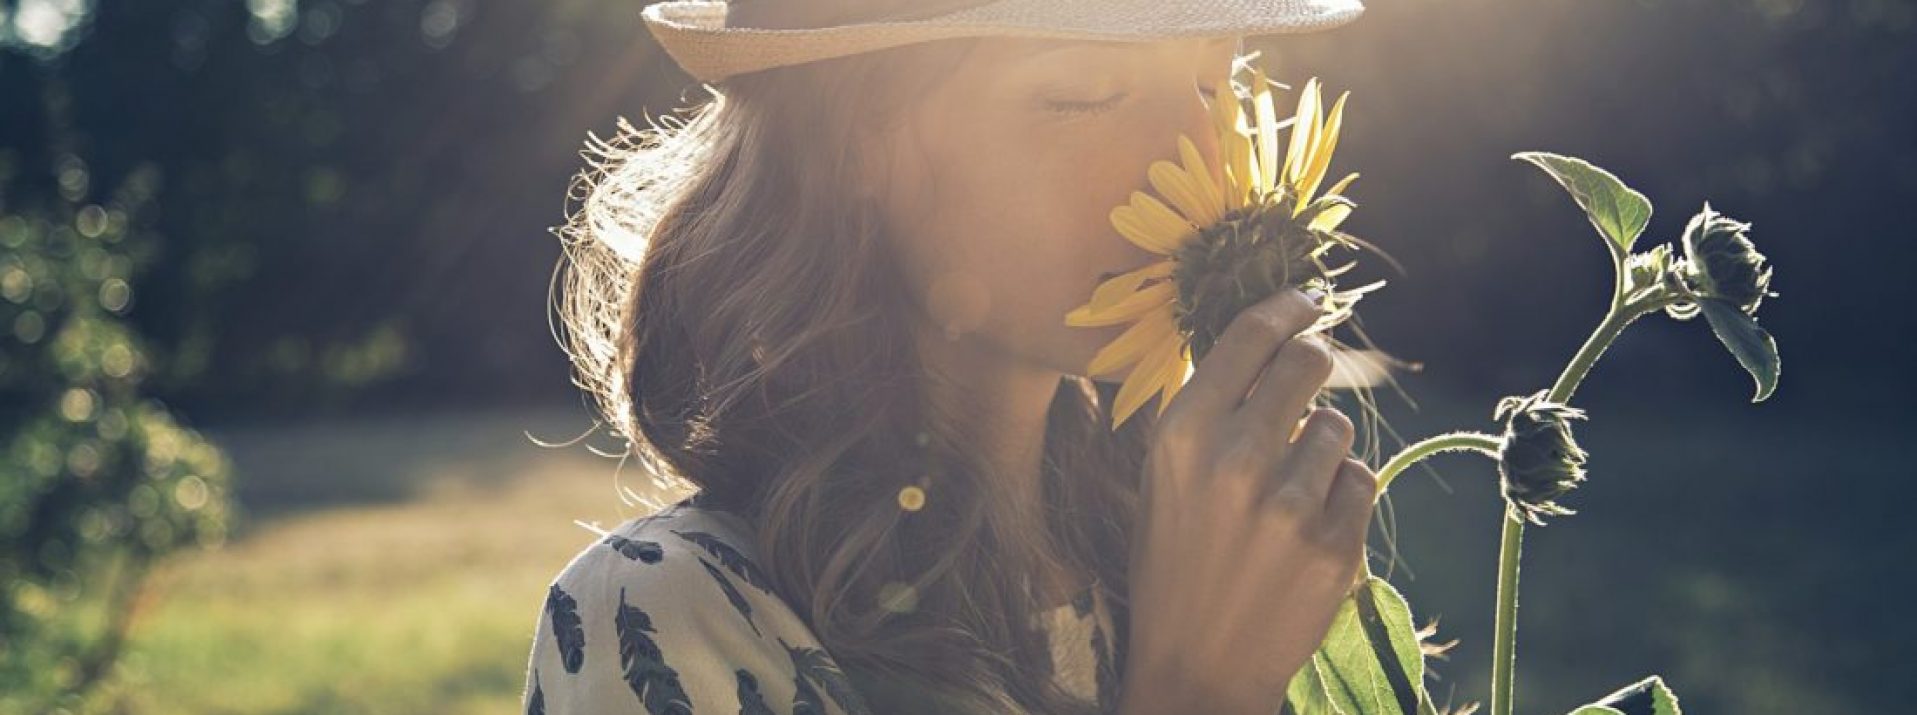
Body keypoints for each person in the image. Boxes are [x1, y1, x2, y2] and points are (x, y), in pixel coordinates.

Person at [521, 1, 1380, 713]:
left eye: (1212, 82)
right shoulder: (667, 619)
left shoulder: (1188, 547)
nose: (1206, 152)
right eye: (1084, 95)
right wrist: (1197, 689)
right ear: (853, 141)